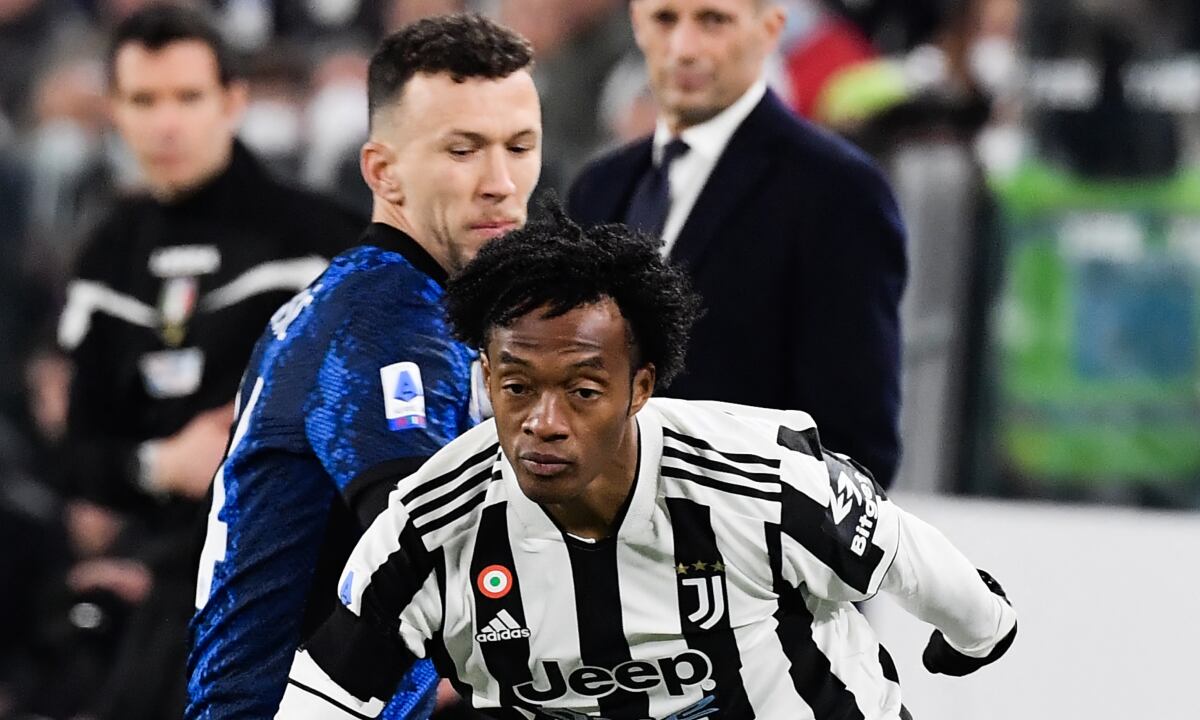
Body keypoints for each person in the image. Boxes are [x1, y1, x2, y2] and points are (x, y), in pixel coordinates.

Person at [272, 207, 1017, 719]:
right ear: (485, 379)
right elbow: (327, 692)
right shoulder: (430, 528)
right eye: (517, 387)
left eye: (582, 391)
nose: (544, 423)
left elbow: (911, 558)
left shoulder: (760, 481)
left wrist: (980, 632)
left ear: (641, 388)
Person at [186, 13, 541, 719]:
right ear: (383, 171)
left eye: (520, 146)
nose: (501, 182)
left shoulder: (384, 299)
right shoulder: (385, 318)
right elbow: (432, 554)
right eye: (464, 150)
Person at [53, 4, 362, 717]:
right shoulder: (106, 256)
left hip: (297, 567)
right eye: (144, 101)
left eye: (188, 98)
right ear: (115, 112)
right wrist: (159, 465)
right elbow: (77, 454)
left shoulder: (319, 241)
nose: (166, 124)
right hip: (159, 569)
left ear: (233, 101)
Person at [567, 0, 907, 486]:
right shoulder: (599, 187)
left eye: (713, 20)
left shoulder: (838, 192)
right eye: (665, 19)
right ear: (638, 25)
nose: (684, 47)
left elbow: (855, 448)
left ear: (769, 29)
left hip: (748, 528)